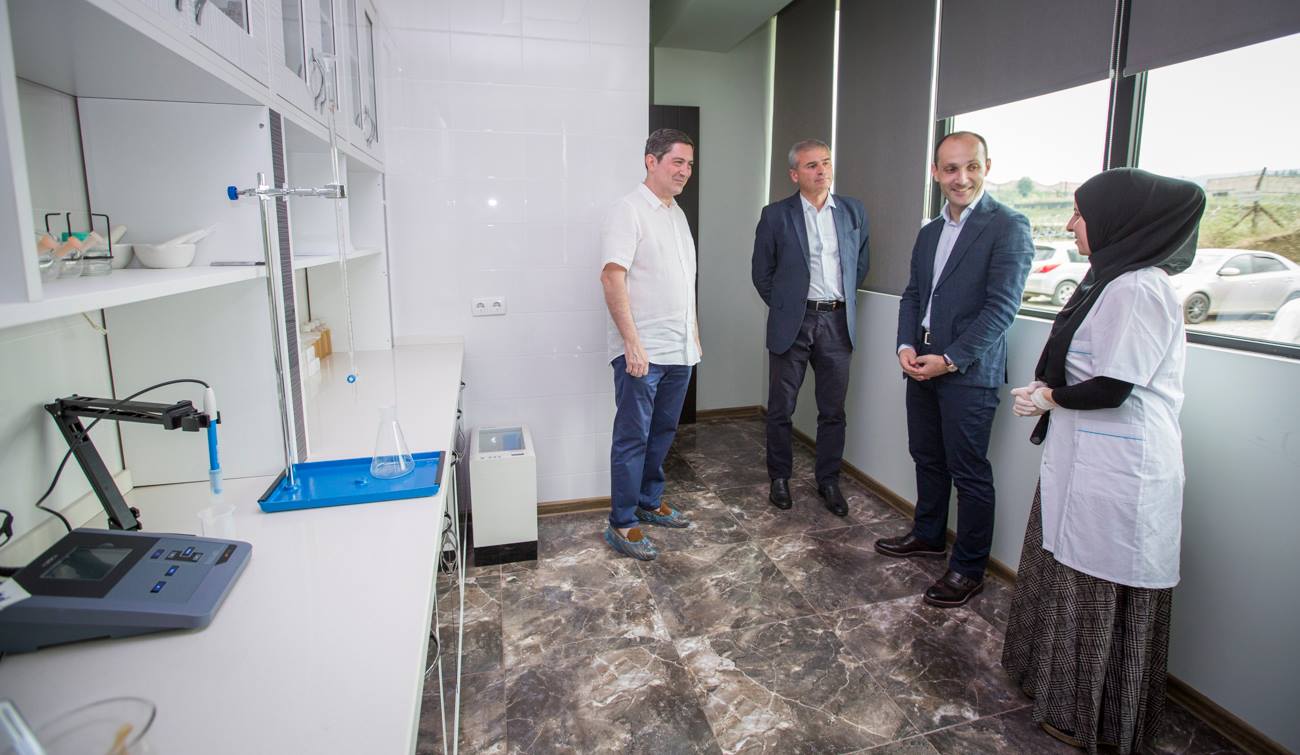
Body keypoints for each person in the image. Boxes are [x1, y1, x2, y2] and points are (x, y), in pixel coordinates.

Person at [1002, 168, 1205, 754]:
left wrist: (1048, 397)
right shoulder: (1108, 280)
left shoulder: (1139, 288)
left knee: (1097, 587)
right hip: (1086, 456)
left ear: (1118, 220)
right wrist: (1050, 394)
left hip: (1123, 468)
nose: (1071, 225)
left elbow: (1113, 387)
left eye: (1080, 213)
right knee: (1067, 568)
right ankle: (1055, 692)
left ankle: (1091, 714)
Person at [874, 131, 1033, 607]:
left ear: (987, 167)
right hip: (921, 361)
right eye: (950, 168)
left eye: (971, 167)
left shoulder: (1008, 225)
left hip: (968, 371)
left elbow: (1001, 310)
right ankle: (928, 535)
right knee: (926, 456)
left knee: (969, 472)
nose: (961, 178)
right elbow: (914, 295)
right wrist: (905, 344)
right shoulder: (929, 232)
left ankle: (968, 569)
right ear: (935, 173)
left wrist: (950, 359)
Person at [751, 139, 870, 515]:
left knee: (833, 410)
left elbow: (860, 264)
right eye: (811, 165)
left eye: (826, 163)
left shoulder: (853, 211)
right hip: (794, 322)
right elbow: (761, 273)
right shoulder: (776, 215)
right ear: (794, 174)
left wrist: (837, 302)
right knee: (781, 408)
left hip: (837, 322)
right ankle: (779, 478)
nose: (821, 171)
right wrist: (787, 307)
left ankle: (828, 481)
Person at [599, 128, 700, 561]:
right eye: (677, 162)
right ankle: (622, 522)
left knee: (663, 432)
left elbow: (681, 282)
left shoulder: (677, 214)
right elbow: (612, 277)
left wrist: (693, 333)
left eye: (689, 164)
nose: (685, 171)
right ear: (651, 161)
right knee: (633, 437)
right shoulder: (628, 211)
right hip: (642, 351)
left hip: (680, 348)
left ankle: (648, 500)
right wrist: (632, 343)